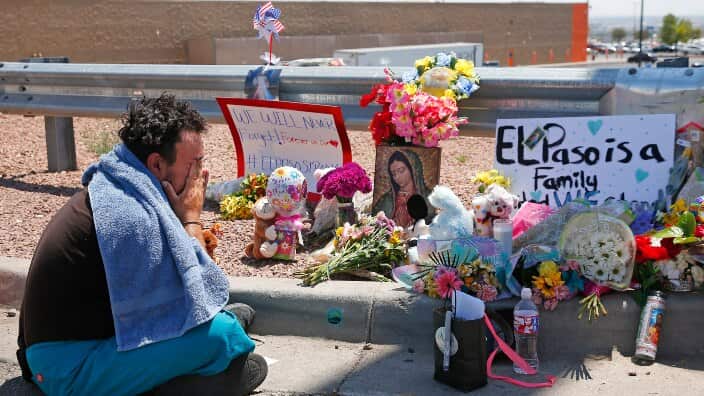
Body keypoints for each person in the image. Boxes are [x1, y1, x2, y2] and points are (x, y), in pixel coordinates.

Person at [16, 94, 267, 395]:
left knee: (224, 322)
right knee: (224, 336)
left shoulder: (122, 185)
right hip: (67, 370)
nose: (200, 175)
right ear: (157, 164)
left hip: (65, 349)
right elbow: (200, 294)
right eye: (195, 163)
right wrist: (191, 217)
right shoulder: (131, 216)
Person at [372, 150, 432, 228]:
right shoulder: (386, 200)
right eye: (393, 174)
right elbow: (375, 222)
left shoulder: (429, 197)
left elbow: (430, 221)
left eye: (401, 171)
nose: (397, 177)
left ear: (413, 169)